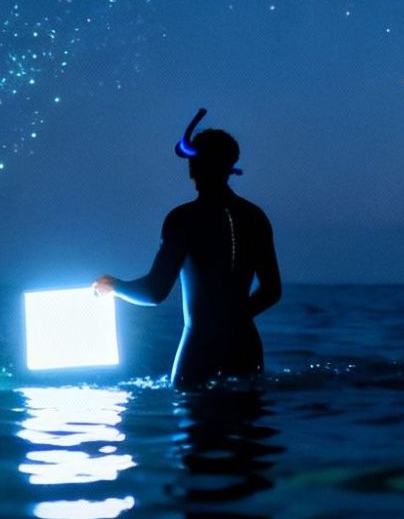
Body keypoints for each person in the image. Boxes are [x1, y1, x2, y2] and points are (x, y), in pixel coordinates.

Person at [95, 110, 282, 389]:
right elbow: (272, 291)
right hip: (246, 344)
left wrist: (114, 286)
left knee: (198, 423)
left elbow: (154, 293)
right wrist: (233, 317)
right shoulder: (255, 216)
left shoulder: (183, 219)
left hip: (201, 347)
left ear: (194, 167)